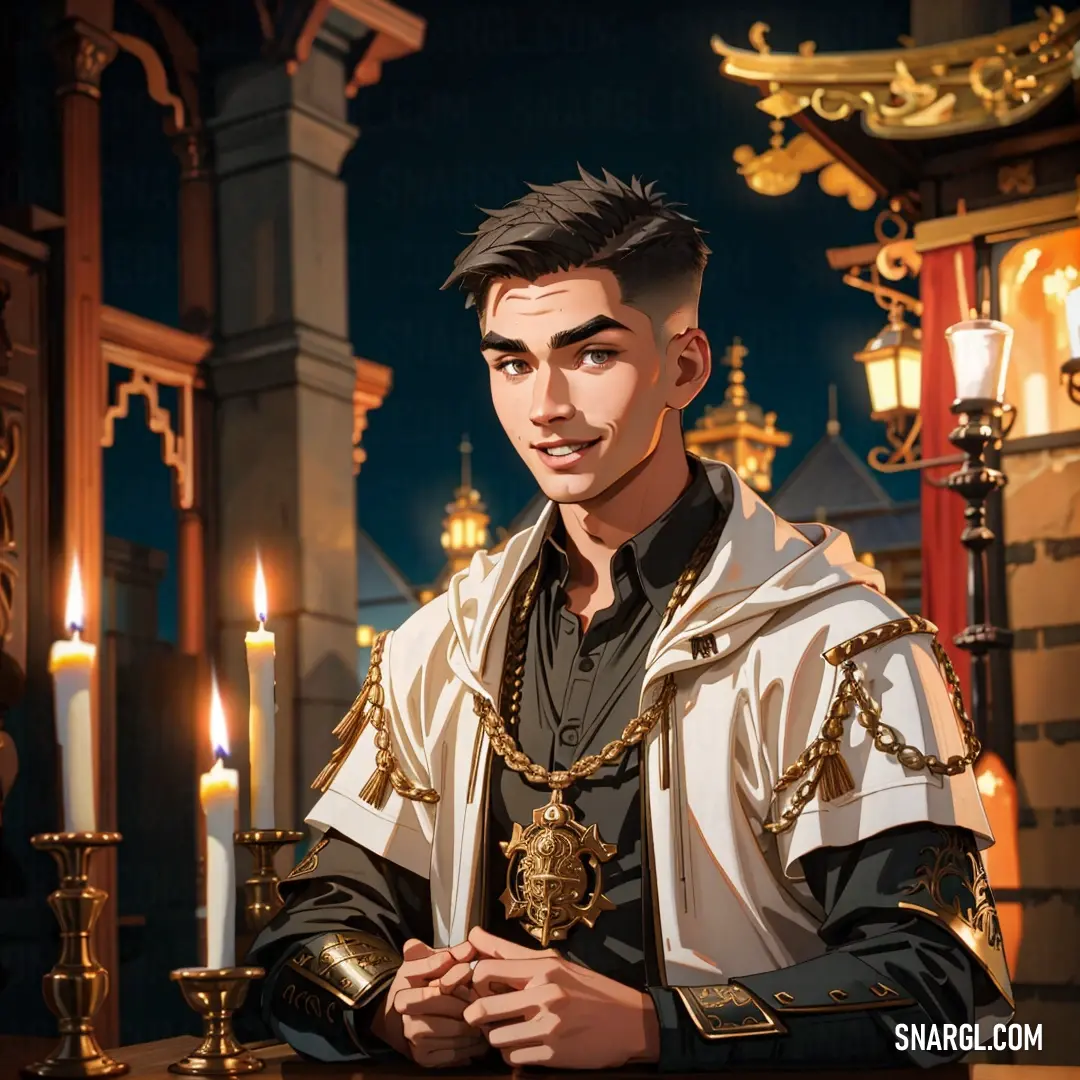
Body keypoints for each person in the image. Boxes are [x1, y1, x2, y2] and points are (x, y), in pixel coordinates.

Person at [247, 167, 1013, 1070]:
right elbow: (311, 928)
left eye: (592, 355)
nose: (546, 407)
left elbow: (952, 1006)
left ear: (683, 366)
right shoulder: (433, 650)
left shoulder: (841, 647)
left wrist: (658, 1026)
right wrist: (385, 1002)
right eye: (513, 363)